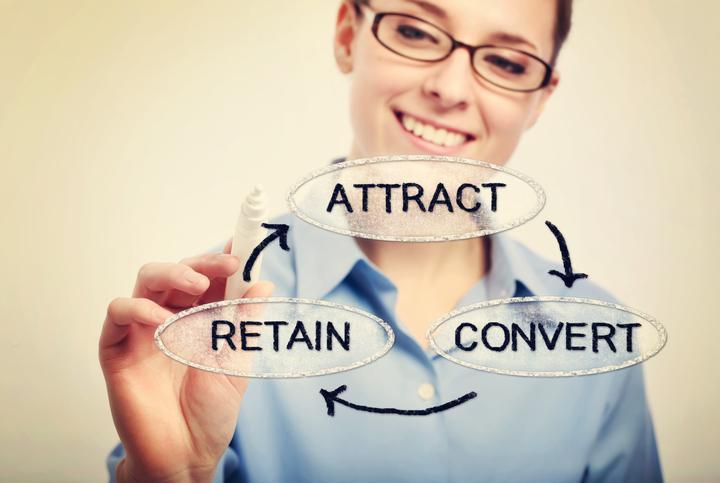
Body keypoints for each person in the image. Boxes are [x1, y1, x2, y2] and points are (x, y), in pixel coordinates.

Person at [100, 0, 663, 481]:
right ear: (348, 34)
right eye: (415, 31)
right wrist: (173, 478)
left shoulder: (600, 342)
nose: (447, 88)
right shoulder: (211, 317)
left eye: (506, 62)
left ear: (540, 97)